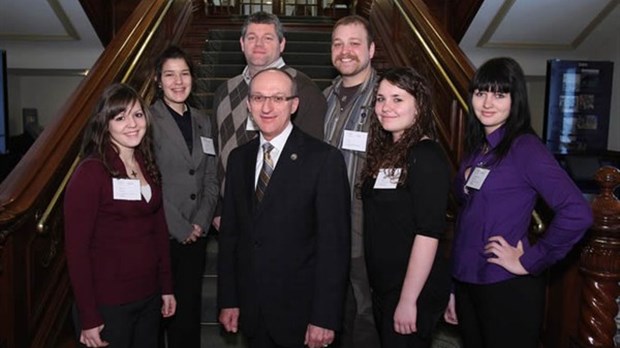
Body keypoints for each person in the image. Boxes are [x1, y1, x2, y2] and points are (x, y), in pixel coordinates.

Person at [443, 57, 593, 348]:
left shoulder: (525, 148)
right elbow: (466, 218)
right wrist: (454, 288)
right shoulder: (479, 148)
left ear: (516, 100)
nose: (487, 102)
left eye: (499, 94)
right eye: (480, 92)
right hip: (468, 281)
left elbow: (578, 212)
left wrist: (531, 260)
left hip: (505, 286)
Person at [217, 68, 351, 348]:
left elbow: (334, 246)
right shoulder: (238, 159)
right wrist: (229, 299)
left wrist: (325, 316)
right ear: (248, 104)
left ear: (294, 104)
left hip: (301, 315)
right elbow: (231, 236)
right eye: (258, 98)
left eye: (278, 98)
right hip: (252, 310)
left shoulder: (324, 160)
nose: (267, 107)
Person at [64, 83, 176, 348]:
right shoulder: (91, 172)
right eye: (120, 117)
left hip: (148, 298)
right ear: (105, 123)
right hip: (108, 305)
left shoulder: (146, 163)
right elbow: (76, 251)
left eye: (137, 115)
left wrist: (167, 286)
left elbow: (158, 231)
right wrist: (89, 316)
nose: (132, 124)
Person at [361, 67, 451, 347]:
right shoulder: (389, 152)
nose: (385, 107)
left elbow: (429, 232)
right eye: (380, 98)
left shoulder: (425, 156)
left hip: (410, 290)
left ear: (419, 106)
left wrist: (408, 299)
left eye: (397, 99)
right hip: (386, 287)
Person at [212, 11, 327, 224]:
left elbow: (312, 160)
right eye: (252, 37)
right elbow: (216, 154)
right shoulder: (224, 91)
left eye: (268, 38)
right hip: (233, 210)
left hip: (286, 214)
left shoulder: (303, 90)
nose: (258, 44)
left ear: (282, 44)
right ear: (241, 43)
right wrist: (219, 208)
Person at [150, 46, 219, 348]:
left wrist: (201, 223)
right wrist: (179, 228)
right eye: (170, 75)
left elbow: (211, 177)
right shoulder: (146, 120)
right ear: (158, 80)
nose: (178, 82)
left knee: (188, 311)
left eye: (184, 74)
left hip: (197, 234)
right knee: (158, 313)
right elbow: (147, 182)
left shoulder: (203, 121)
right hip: (162, 234)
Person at [323, 14, 381, 348]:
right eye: (338, 43)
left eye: (354, 43)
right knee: (332, 308)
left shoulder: (387, 98)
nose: (345, 51)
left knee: (364, 314)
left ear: (371, 49)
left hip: (365, 227)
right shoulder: (325, 96)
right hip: (326, 225)